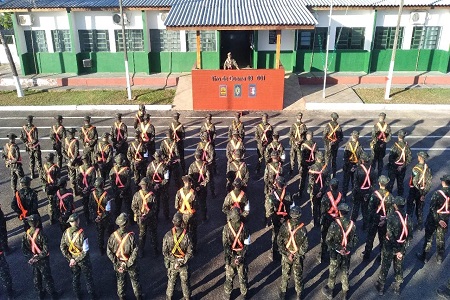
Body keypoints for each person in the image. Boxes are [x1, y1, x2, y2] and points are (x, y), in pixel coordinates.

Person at [375, 196, 412, 296]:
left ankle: (381, 286)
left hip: (390, 246)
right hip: (402, 245)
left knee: (385, 265)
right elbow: (410, 237)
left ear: (395, 205)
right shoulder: (408, 218)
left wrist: (396, 250)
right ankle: (397, 286)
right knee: (399, 266)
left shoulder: (391, 217)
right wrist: (401, 250)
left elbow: (390, 235)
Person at [322, 203, 357, 300]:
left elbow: (328, 240)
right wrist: (347, 248)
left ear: (339, 212)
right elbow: (355, 240)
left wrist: (338, 248)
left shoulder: (334, 225)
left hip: (335, 253)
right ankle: (345, 291)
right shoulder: (352, 225)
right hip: (346, 253)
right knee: (345, 271)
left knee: (333, 271)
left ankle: (330, 291)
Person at [60, 213, 95, 300]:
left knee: (75, 277)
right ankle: (92, 296)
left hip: (72, 259)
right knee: (88, 278)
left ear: (71, 223)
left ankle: (77, 296)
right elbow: (85, 250)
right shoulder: (82, 233)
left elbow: (62, 247)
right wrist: (76, 259)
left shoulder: (66, 233)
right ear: (78, 221)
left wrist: (70, 259)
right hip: (83, 260)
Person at [107, 213, 142, 300]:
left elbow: (109, 252)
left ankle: (121, 297)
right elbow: (135, 250)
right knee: (135, 281)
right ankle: (138, 297)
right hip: (130, 264)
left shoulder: (112, 236)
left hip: (118, 263)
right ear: (126, 224)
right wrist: (128, 263)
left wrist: (117, 263)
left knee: (120, 282)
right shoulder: (131, 236)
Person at [21, 214, 57, 300]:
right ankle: (53, 295)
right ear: (37, 223)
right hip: (43, 260)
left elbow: (24, 250)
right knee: (47, 277)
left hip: (33, 260)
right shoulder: (41, 234)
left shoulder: (26, 235)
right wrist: (38, 256)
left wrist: (31, 257)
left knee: (36, 278)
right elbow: (46, 250)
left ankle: (40, 294)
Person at [416, 175, 450, 264]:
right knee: (441, 238)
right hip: (445, 218)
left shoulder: (438, 193)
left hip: (434, 219)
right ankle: (439, 257)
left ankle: (424, 256)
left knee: (429, 238)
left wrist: (438, 219)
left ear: (443, 182)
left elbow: (432, 208)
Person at [277, 206, 308, 300]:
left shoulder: (284, 226)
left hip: (287, 256)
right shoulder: (303, 229)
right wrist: (297, 254)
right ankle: (299, 294)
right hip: (297, 256)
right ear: (299, 215)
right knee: (298, 275)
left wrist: (287, 254)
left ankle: (283, 293)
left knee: (285, 274)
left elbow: (279, 241)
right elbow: (305, 246)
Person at [162, 212, 193, 300]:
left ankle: (169, 298)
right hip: (183, 263)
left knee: (171, 281)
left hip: (173, 263)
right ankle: (187, 298)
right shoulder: (187, 235)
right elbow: (190, 252)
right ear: (182, 222)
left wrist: (175, 261)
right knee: (185, 282)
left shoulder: (167, 235)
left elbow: (165, 252)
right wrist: (182, 261)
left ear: (173, 222)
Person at [363, 175, 393, 261]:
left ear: (379, 183)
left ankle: (367, 255)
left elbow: (370, 209)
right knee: (383, 239)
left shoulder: (374, 195)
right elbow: (391, 212)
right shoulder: (390, 197)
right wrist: (384, 219)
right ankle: (381, 256)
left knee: (370, 238)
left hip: (374, 220)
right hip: (384, 221)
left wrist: (374, 219)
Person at [223, 207, 250, 300]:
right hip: (242, 254)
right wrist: (240, 256)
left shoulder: (226, 228)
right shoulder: (245, 227)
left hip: (231, 257)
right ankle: (244, 294)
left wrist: (232, 257)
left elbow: (225, 246)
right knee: (243, 276)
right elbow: (247, 244)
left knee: (229, 277)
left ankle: (228, 295)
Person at [266, 176, 293, 260]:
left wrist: (268, 218)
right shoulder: (288, 194)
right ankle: (284, 252)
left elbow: (269, 209)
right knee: (285, 234)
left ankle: (274, 254)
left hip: (276, 217)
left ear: (276, 184)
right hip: (285, 217)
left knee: (275, 234)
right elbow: (292, 206)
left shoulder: (271, 196)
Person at [131, 178, 158, 258]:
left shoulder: (136, 195)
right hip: (150, 218)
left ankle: (141, 251)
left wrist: (140, 214)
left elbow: (133, 207)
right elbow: (155, 208)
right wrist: (147, 215)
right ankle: (155, 250)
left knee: (142, 235)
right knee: (153, 233)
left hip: (141, 219)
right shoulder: (152, 195)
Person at [407, 151, 432, 230]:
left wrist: (417, 191)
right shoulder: (428, 169)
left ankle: (408, 224)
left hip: (415, 190)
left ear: (420, 158)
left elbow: (414, 181)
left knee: (410, 207)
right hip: (423, 191)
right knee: (420, 208)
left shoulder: (416, 169)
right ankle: (420, 224)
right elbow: (429, 183)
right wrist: (423, 194)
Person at [318, 178, 342, 263]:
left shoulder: (326, 196)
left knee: (324, 237)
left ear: (331, 186)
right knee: (335, 237)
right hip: (336, 219)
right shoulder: (340, 195)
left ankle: (323, 255)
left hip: (327, 219)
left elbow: (322, 209)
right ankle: (333, 255)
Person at [351, 152, 376, 229]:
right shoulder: (372, 170)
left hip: (358, 193)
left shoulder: (358, 170)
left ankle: (352, 225)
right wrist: (368, 194)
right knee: (365, 210)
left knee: (355, 208)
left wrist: (360, 193)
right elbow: (374, 184)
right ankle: (365, 225)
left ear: (362, 160)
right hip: (367, 192)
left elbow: (355, 184)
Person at [89, 177, 112, 256]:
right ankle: (110, 248)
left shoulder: (92, 194)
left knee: (100, 234)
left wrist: (95, 216)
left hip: (96, 218)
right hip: (105, 218)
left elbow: (90, 206)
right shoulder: (107, 195)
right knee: (109, 232)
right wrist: (101, 216)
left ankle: (101, 249)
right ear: (102, 185)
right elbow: (108, 209)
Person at [175, 175, 199, 252]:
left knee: (183, 233)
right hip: (191, 215)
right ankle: (193, 249)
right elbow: (196, 206)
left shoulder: (179, 192)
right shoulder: (193, 193)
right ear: (190, 183)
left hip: (181, 215)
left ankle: (183, 249)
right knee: (193, 233)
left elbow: (176, 206)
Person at [387, 130, 412, 196]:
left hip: (393, 168)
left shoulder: (395, 146)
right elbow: (409, 158)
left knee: (390, 184)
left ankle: (389, 198)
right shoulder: (407, 147)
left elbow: (390, 158)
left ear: (398, 136)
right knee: (400, 184)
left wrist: (395, 166)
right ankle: (400, 198)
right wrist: (402, 166)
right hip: (402, 168)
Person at [147, 150, 170, 220]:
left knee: (155, 202)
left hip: (153, 186)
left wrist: (154, 184)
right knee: (165, 202)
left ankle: (155, 216)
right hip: (163, 187)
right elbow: (166, 179)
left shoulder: (150, 165)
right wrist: (159, 185)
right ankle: (166, 216)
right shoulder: (164, 166)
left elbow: (148, 176)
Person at [188, 150, 210, 222]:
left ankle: (194, 216)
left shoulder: (192, 165)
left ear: (195, 156)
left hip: (194, 187)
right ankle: (204, 218)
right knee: (203, 202)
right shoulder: (205, 165)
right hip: (203, 187)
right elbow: (208, 177)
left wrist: (195, 186)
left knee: (193, 202)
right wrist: (202, 184)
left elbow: (189, 177)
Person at [308, 151, 329, 227]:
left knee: (314, 206)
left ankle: (315, 220)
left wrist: (314, 191)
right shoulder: (325, 168)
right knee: (321, 206)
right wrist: (321, 191)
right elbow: (327, 181)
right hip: (322, 190)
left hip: (314, 190)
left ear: (316, 158)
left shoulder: (313, 167)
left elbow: (311, 181)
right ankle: (321, 220)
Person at [342, 130, 364, 199]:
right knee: (354, 183)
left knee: (346, 182)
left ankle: (344, 197)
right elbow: (362, 158)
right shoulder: (360, 147)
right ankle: (354, 196)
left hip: (348, 167)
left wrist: (350, 166)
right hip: (356, 167)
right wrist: (355, 166)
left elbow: (345, 158)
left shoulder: (348, 145)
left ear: (352, 137)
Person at [109, 154, 132, 218]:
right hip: (126, 191)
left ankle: (117, 218)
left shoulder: (112, 170)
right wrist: (123, 190)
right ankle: (131, 220)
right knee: (128, 207)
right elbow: (128, 182)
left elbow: (111, 182)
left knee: (117, 206)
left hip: (116, 191)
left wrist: (116, 190)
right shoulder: (127, 170)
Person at [41, 153, 60, 224]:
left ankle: (51, 218)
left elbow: (42, 177)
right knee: (56, 202)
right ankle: (57, 215)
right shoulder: (56, 168)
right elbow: (58, 179)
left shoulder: (44, 166)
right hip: (54, 188)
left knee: (50, 203)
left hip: (47, 187)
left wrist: (45, 185)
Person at [77, 154, 96, 225]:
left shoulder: (80, 168)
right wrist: (88, 188)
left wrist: (82, 188)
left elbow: (78, 180)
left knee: (85, 205)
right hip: (90, 190)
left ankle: (87, 219)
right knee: (91, 204)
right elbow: (93, 180)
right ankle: (92, 218)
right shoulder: (92, 169)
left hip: (83, 190)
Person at [370, 112, 391, 177]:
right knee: (380, 159)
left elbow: (373, 136)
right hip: (383, 145)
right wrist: (384, 142)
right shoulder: (387, 126)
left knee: (374, 159)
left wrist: (377, 142)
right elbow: (389, 136)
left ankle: (372, 174)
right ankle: (379, 174)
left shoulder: (376, 126)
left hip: (376, 145)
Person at [323, 112, 343, 178]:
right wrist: (336, 141)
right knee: (334, 160)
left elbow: (324, 136)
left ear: (331, 118)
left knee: (326, 160)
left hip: (328, 145)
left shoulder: (328, 125)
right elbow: (341, 137)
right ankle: (334, 174)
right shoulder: (339, 126)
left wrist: (328, 142)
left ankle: (325, 174)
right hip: (335, 145)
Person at [196, 132, 215, 197]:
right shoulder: (210, 146)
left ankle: (200, 191)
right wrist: (207, 161)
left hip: (200, 165)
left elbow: (197, 154)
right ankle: (212, 193)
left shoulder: (199, 145)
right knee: (210, 178)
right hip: (208, 164)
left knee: (200, 178)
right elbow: (212, 157)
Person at [299, 131, 317, 196]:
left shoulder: (304, 144)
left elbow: (302, 154)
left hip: (305, 163)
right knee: (312, 179)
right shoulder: (315, 144)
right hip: (312, 163)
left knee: (303, 179)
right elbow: (316, 154)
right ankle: (311, 193)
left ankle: (300, 192)